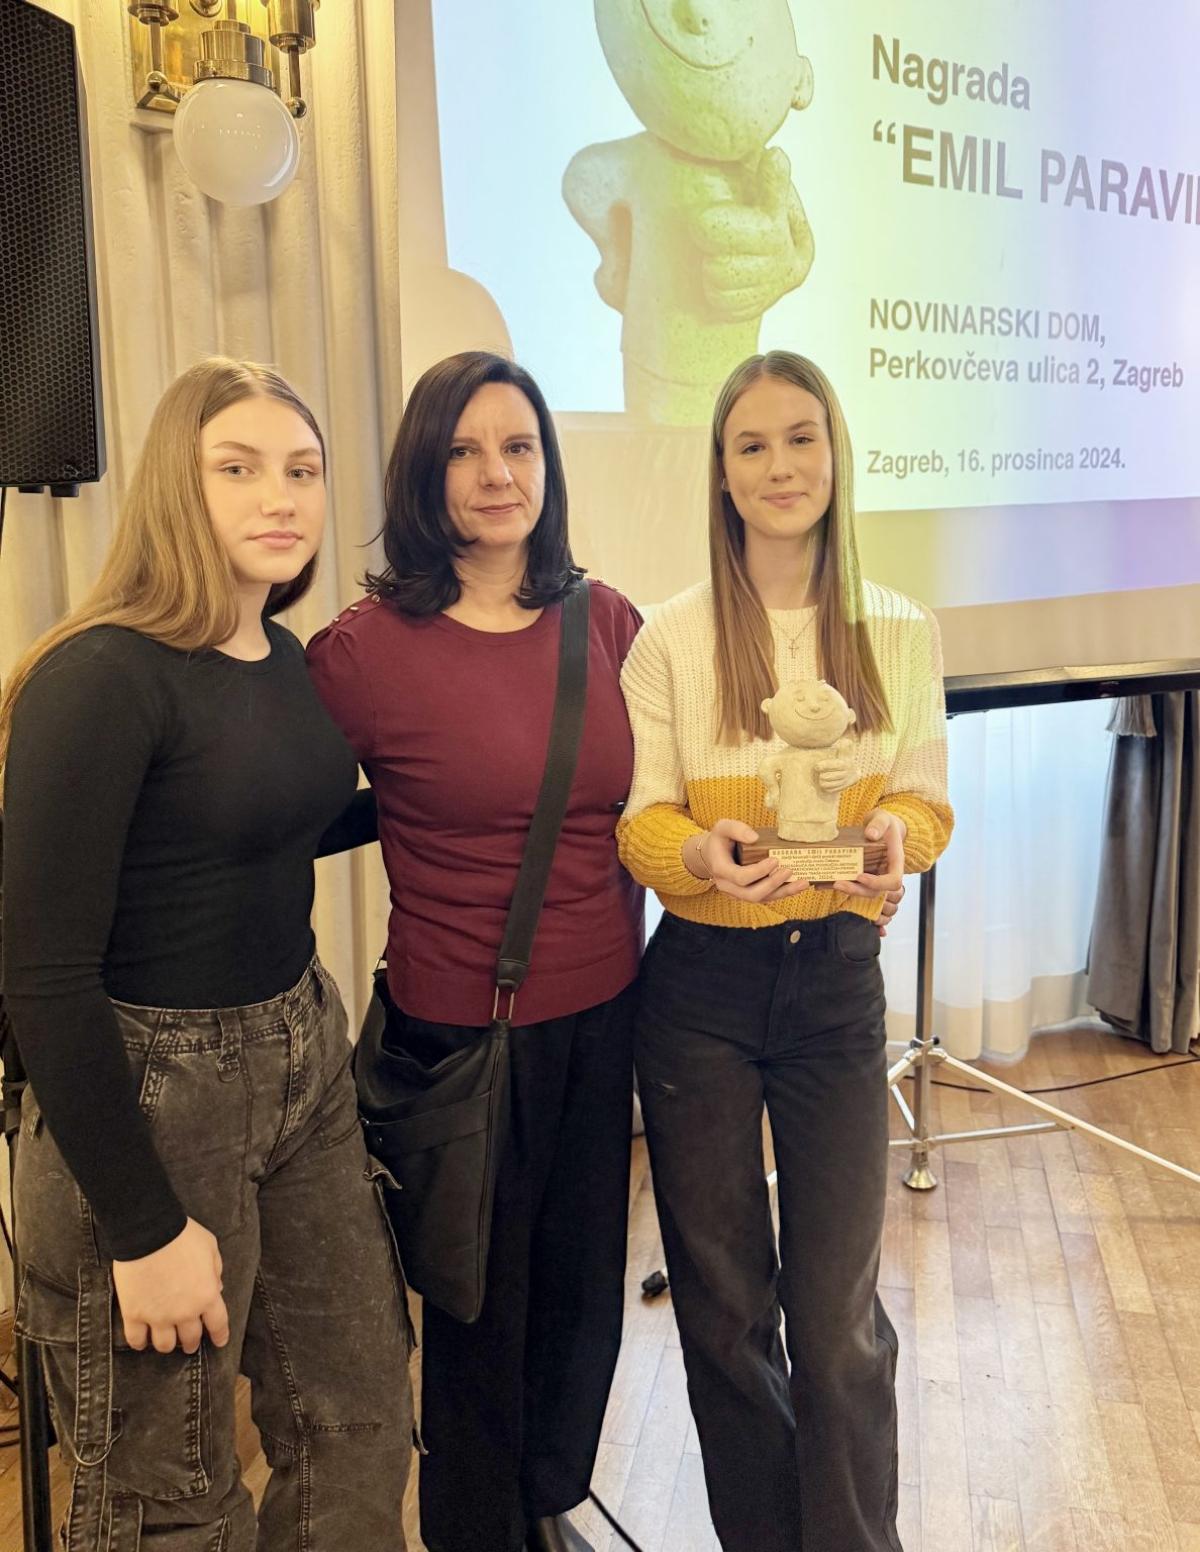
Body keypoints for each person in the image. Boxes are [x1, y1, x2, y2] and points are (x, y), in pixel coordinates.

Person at [1, 359, 412, 1551]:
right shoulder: (99, 675)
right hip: (148, 1090)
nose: (279, 496)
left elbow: (247, 829)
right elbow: (42, 976)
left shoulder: (279, 656)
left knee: (356, 1418)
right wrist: (141, 1227)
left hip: (300, 1056)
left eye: (302, 470)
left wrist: (444, 800)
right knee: (167, 1490)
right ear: (176, 486)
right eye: (238, 468)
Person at [306, 350, 643, 1552]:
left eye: (519, 446)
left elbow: (659, 802)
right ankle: (474, 1530)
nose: (498, 474)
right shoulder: (362, 652)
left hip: (605, 1015)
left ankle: (544, 1504)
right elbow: (270, 799)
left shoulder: (605, 620)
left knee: (581, 1298)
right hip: (460, 1037)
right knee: (476, 1314)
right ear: (424, 471)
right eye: (464, 450)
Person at [617, 350, 954, 1552]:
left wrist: (892, 838)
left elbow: (924, 804)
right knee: (722, 1312)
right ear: (721, 472)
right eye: (751, 444)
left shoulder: (898, 630)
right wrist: (700, 855)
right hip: (699, 993)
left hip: (834, 988)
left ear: (836, 452)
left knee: (837, 1316)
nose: (780, 465)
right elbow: (642, 823)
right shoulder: (669, 637)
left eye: (801, 437)